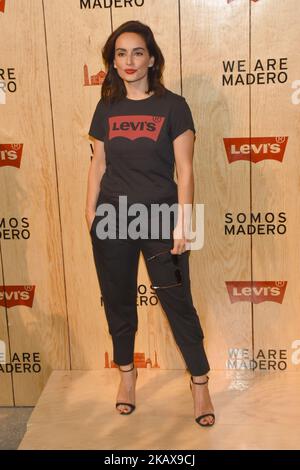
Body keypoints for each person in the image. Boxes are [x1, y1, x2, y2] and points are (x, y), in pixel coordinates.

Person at [86, 20, 215, 427]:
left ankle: (200, 383)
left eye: (137, 52)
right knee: (119, 302)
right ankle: (127, 377)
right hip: (112, 217)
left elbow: (186, 170)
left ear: (152, 58)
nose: (129, 60)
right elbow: (97, 164)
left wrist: (185, 222)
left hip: (161, 217)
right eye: (120, 53)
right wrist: (90, 213)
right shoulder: (106, 105)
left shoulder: (174, 106)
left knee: (178, 304)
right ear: (113, 60)